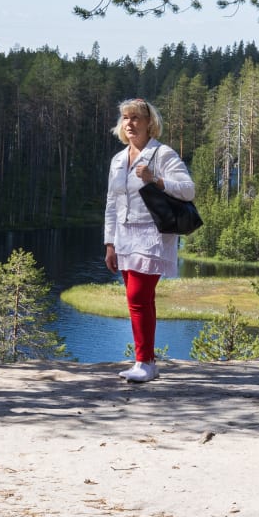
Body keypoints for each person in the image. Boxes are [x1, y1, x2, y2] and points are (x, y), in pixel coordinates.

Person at [103, 98, 195, 383]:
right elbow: (111, 203)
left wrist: (156, 179)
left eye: (136, 118)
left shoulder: (162, 154)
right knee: (139, 300)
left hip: (152, 235)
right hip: (124, 237)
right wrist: (109, 244)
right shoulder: (118, 160)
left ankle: (144, 361)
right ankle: (147, 361)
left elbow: (188, 190)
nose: (129, 123)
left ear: (148, 123)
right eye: (125, 118)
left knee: (138, 297)